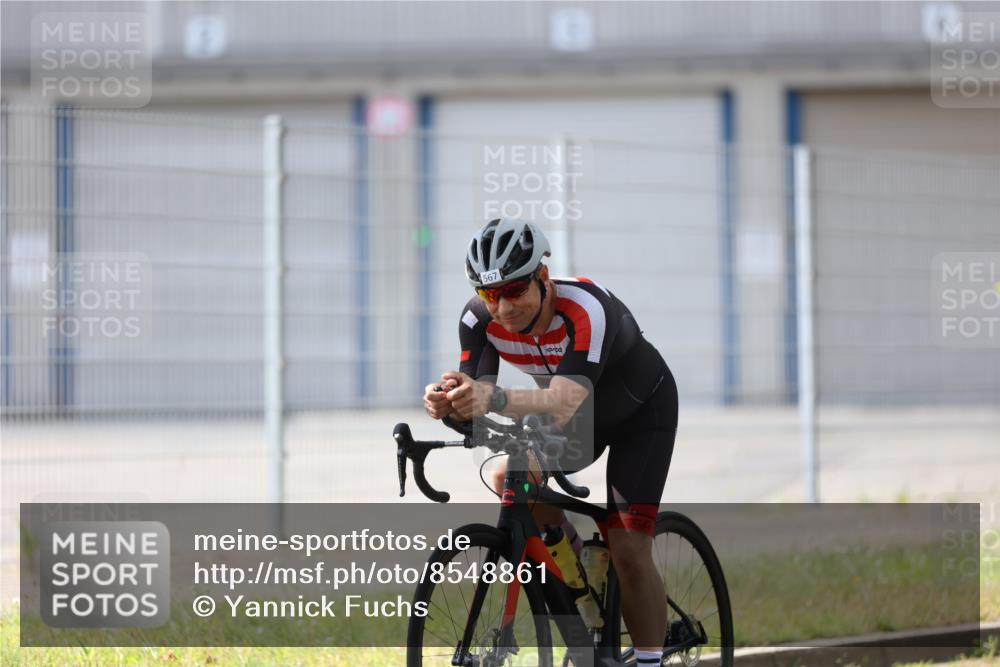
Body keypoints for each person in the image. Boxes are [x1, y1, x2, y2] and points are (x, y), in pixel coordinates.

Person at [423, 217, 678, 665]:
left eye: (514, 291)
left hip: (641, 411)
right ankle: (582, 579)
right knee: (510, 475)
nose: (502, 308)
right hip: (581, 416)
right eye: (490, 294)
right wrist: (450, 403)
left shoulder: (586, 308)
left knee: (629, 546)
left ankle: (649, 656)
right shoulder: (477, 319)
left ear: (542, 276)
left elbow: (562, 401)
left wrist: (492, 396)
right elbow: (477, 394)